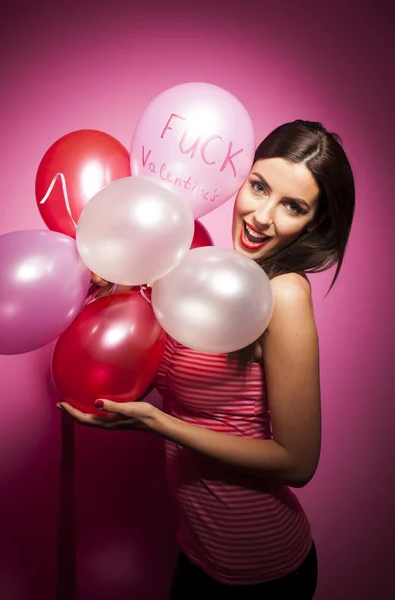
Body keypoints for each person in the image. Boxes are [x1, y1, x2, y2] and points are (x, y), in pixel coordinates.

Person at [57, 120, 355, 599]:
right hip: (198, 550)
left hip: (262, 566)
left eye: (292, 206)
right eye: (259, 187)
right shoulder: (208, 275)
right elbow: (165, 375)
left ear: (314, 223)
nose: (261, 216)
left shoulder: (284, 294)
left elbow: (298, 462)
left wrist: (157, 424)